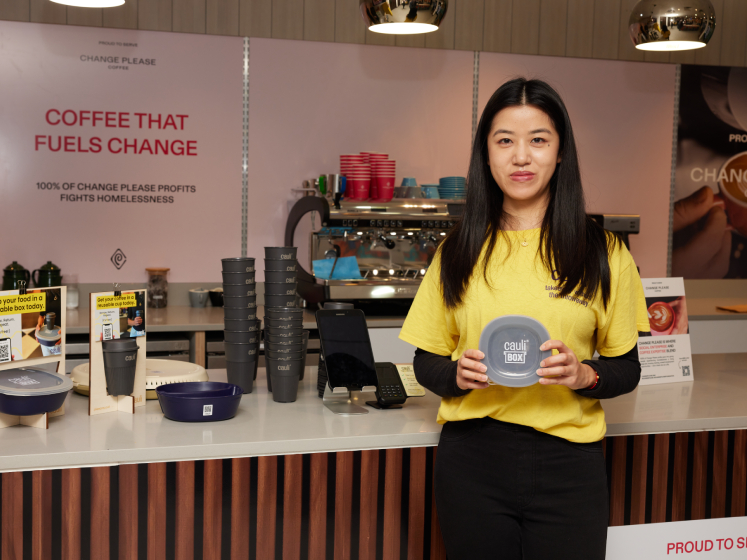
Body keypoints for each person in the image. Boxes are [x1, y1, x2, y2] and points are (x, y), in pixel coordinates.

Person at [399, 78, 650, 560]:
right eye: (505, 141)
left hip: (569, 465)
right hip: (471, 460)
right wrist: (455, 374)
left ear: (560, 153)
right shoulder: (458, 250)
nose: (521, 157)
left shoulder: (604, 252)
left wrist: (584, 374)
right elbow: (425, 357)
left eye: (538, 140)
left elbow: (627, 367)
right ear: (486, 155)